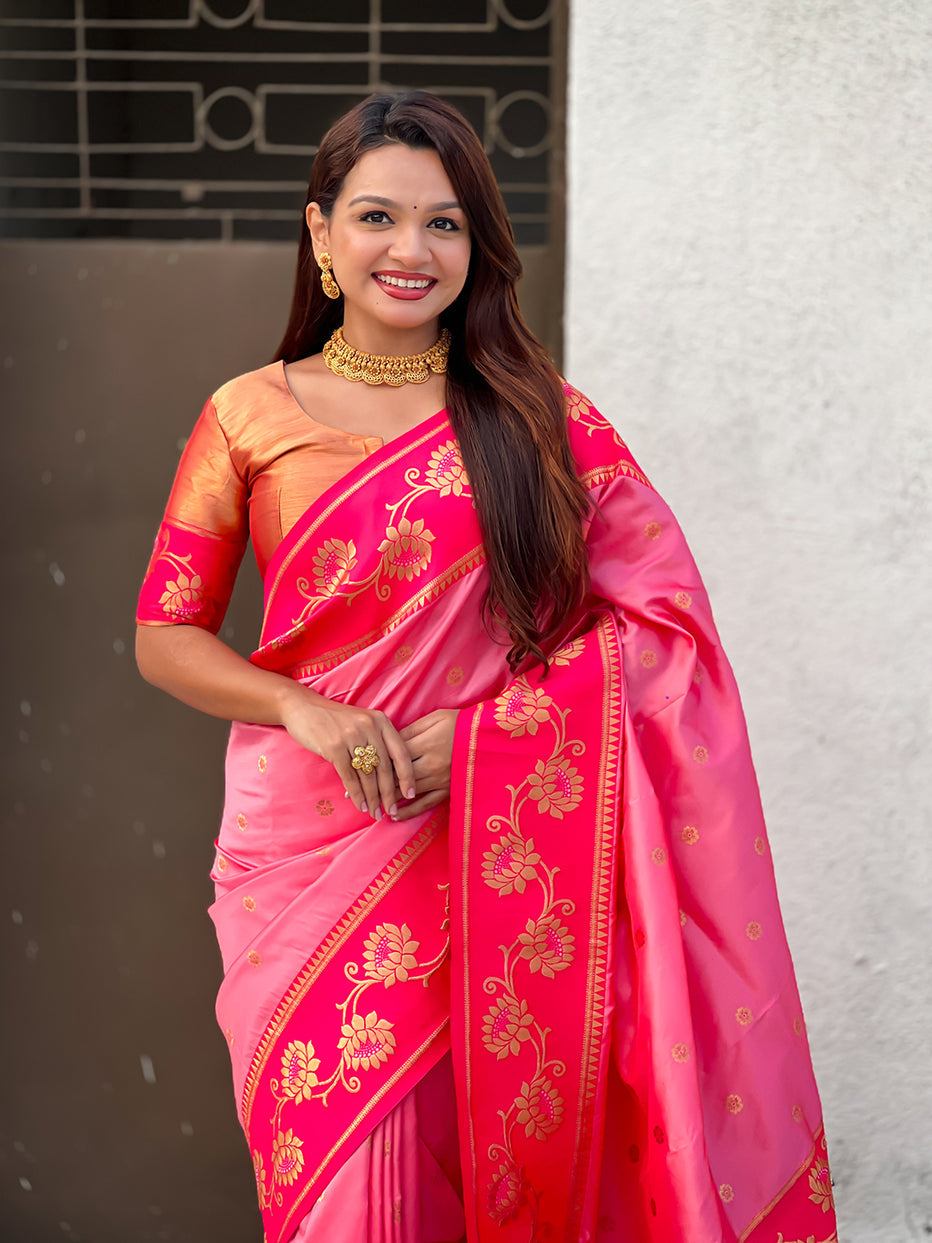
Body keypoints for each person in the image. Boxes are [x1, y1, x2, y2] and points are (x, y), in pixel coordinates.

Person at [135, 92, 838, 1243]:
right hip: (301, 847)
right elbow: (165, 632)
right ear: (319, 234)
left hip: (493, 843)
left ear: (478, 245)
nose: (410, 251)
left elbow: (665, 636)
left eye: (445, 224)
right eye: (376, 217)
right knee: (341, 1180)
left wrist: (481, 741)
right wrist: (301, 710)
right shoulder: (247, 416)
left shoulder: (541, 423)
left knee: (487, 1164)